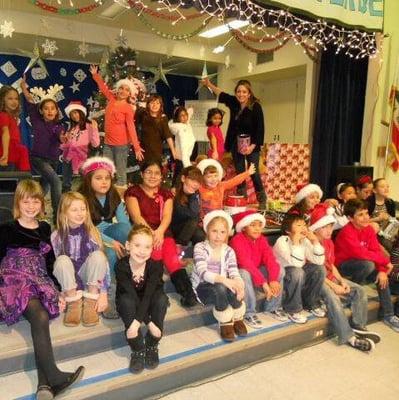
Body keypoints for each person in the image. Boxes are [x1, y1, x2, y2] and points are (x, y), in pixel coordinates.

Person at [0, 179, 84, 399]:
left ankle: (44, 386)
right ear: (18, 202)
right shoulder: (6, 228)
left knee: (42, 315)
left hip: (39, 278)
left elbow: (49, 261)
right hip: (15, 279)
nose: (31, 206)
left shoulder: (45, 227)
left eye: (35, 201)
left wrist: (57, 289)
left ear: (41, 203)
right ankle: (55, 376)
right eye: (26, 201)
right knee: (39, 315)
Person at [125, 160, 197, 307]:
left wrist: (159, 232)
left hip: (163, 232)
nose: (153, 176)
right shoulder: (133, 192)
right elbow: (136, 217)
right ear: (141, 174)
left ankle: (188, 294)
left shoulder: (166, 194)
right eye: (148, 172)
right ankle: (155, 295)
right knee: (156, 257)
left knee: (172, 261)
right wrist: (152, 234)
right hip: (142, 234)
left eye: (156, 173)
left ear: (161, 176)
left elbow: (167, 216)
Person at [309, 204, 381, 352]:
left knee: (359, 290)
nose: (330, 231)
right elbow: (318, 272)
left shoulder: (329, 242)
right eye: (325, 227)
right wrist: (334, 286)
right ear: (316, 228)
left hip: (330, 278)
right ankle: (349, 338)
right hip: (317, 282)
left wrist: (341, 281)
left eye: (331, 227)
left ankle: (359, 326)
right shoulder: (310, 244)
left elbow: (331, 266)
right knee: (333, 298)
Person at [335, 199, 399, 332]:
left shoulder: (369, 230)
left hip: (362, 265)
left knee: (381, 277)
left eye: (366, 213)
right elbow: (361, 253)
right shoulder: (346, 232)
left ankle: (388, 315)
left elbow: (375, 250)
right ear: (350, 218)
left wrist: (382, 270)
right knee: (368, 265)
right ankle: (350, 293)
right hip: (342, 269)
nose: (365, 218)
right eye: (360, 215)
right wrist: (385, 263)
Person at [79, 156, 131, 319]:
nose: (104, 182)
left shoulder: (114, 195)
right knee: (108, 254)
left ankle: (132, 285)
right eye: (99, 178)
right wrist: (110, 243)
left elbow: (124, 224)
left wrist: (129, 243)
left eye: (107, 178)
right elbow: (85, 228)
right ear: (89, 179)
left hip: (110, 232)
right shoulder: (81, 197)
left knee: (125, 231)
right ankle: (108, 295)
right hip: (88, 236)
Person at [201, 78, 266, 206]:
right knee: (240, 171)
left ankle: (262, 198)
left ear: (249, 93)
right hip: (236, 143)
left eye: (244, 92)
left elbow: (260, 127)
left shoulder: (255, 106)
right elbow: (222, 94)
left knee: (253, 171)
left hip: (252, 143)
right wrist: (209, 84)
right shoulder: (234, 103)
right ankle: (242, 197)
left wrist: (253, 146)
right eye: (238, 92)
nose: (241, 94)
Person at [51, 192, 110, 327]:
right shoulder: (56, 236)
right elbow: (54, 268)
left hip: (89, 278)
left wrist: (104, 292)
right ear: (64, 212)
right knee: (61, 261)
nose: (80, 213)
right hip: (68, 282)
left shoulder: (92, 232)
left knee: (99, 256)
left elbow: (103, 267)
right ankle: (73, 303)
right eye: (74, 210)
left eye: (83, 209)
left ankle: (90, 302)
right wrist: (58, 293)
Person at [115, 225, 169, 374]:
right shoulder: (121, 266)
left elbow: (148, 296)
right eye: (137, 245)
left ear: (152, 249)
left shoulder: (155, 266)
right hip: (130, 299)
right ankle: (137, 348)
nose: (142, 251)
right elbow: (132, 295)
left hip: (149, 298)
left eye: (147, 247)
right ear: (127, 245)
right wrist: (144, 323)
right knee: (127, 301)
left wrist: (150, 324)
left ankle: (152, 344)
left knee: (161, 300)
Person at [192, 210, 247, 341]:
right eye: (214, 231)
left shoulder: (229, 251)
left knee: (235, 284)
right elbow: (203, 273)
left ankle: (238, 316)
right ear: (207, 231)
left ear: (227, 233)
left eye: (222, 232)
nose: (218, 236)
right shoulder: (200, 247)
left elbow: (234, 272)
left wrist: (240, 286)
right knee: (221, 287)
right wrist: (225, 281)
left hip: (222, 285)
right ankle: (225, 321)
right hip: (203, 287)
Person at [89, 65, 144, 187]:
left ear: (130, 93)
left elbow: (131, 127)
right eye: (121, 88)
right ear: (118, 89)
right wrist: (95, 75)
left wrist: (136, 147)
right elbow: (103, 88)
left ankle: (121, 194)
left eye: (126, 89)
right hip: (108, 143)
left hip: (121, 145)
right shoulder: (111, 99)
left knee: (120, 171)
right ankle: (107, 191)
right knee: (107, 169)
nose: (123, 91)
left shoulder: (128, 108)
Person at [230, 210, 286, 329]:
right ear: (244, 227)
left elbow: (270, 259)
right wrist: (264, 283)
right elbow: (246, 264)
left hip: (256, 275)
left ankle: (273, 307)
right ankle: (249, 312)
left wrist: (273, 280)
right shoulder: (237, 240)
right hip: (241, 277)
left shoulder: (262, 239)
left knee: (279, 270)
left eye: (259, 225)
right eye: (253, 225)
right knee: (243, 273)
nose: (257, 228)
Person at [21, 75, 64, 221]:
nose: (50, 111)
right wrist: (23, 88)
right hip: (38, 159)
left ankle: (32, 212)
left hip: (53, 161)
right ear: (41, 111)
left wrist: (64, 138)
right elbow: (30, 101)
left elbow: (60, 135)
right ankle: (58, 216)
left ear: (56, 111)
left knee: (42, 189)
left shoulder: (59, 126)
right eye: (46, 109)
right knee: (56, 181)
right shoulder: (36, 119)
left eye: (53, 109)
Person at [273, 213, 326, 324]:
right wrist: (296, 242)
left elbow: (319, 261)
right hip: (283, 277)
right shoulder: (282, 241)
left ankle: (311, 303)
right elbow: (295, 264)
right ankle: (292, 309)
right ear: (288, 230)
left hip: (298, 274)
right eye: (298, 225)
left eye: (304, 225)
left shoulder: (304, 241)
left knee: (319, 269)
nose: (303, 228)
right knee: (297, 272)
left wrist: (315, 241)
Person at [61, 101, 100, 192]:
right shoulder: (72, 128)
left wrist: (94, 129)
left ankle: (91, 195)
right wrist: (66, 139)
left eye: (75, 112)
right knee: (66, 182)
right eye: (71, 114)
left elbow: (96, 144)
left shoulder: (89, 125)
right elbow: (66, 145)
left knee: (88, 181)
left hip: (83, 157)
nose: (74, 116)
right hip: (69, 157)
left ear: (81, 112)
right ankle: (66, 192)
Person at [135, 95, 177, 163]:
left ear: (161, 105)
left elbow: (168, 135)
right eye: (152, 103)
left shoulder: (163, 118)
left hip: (157, 152)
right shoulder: (142, 114)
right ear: (148, 104)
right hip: (142, 151)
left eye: (157, 103)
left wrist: (173, 151)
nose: (155, 105)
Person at [171, 166, 205, 247]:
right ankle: (179, 246)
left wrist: (193, 195)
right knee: (193, 220)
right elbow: (180, 212)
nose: (195, 184)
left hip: (189, 227)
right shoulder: (174, 193)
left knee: (199, 235)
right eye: (192, 180)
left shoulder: (195, 194)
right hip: (174, 227)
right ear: (183, 178)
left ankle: (196, 253)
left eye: (198, 182)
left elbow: (195, 213)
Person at [0, 85, 30, 171]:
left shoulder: (12, 117)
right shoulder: (3, 115)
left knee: (13, 181)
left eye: (16, 99)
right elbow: (5, 133)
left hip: (13, 154)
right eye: (10, 98)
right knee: (7, 182)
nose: (14, 101)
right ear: (2, 100)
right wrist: (5, 155)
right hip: (7, 155)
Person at [168, 106, 196, 187]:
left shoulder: (185, 125)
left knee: (177, 179)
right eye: (181, 116)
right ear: (178, 118)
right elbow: (184, 148)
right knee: (179, 182)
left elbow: (190, 112)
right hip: (183, 160)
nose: (185, 117)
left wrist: (189, 110)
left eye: (185, 115)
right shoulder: (181, 129)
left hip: (183, 159)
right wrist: (188, 166)